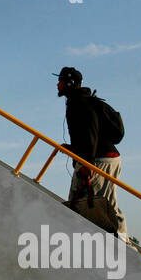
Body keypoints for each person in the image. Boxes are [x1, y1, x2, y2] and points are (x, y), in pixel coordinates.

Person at [56, 67, 126, 239]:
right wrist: (73, 149)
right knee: (86, 200)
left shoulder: (80, 103)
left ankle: (123, 241)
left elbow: (90, 133)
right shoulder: (80, 101)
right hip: (100, 157)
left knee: (102, 202)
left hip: (99, 159)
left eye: (61, 81)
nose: (58, 85)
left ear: (70, 83)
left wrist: (88, 164)